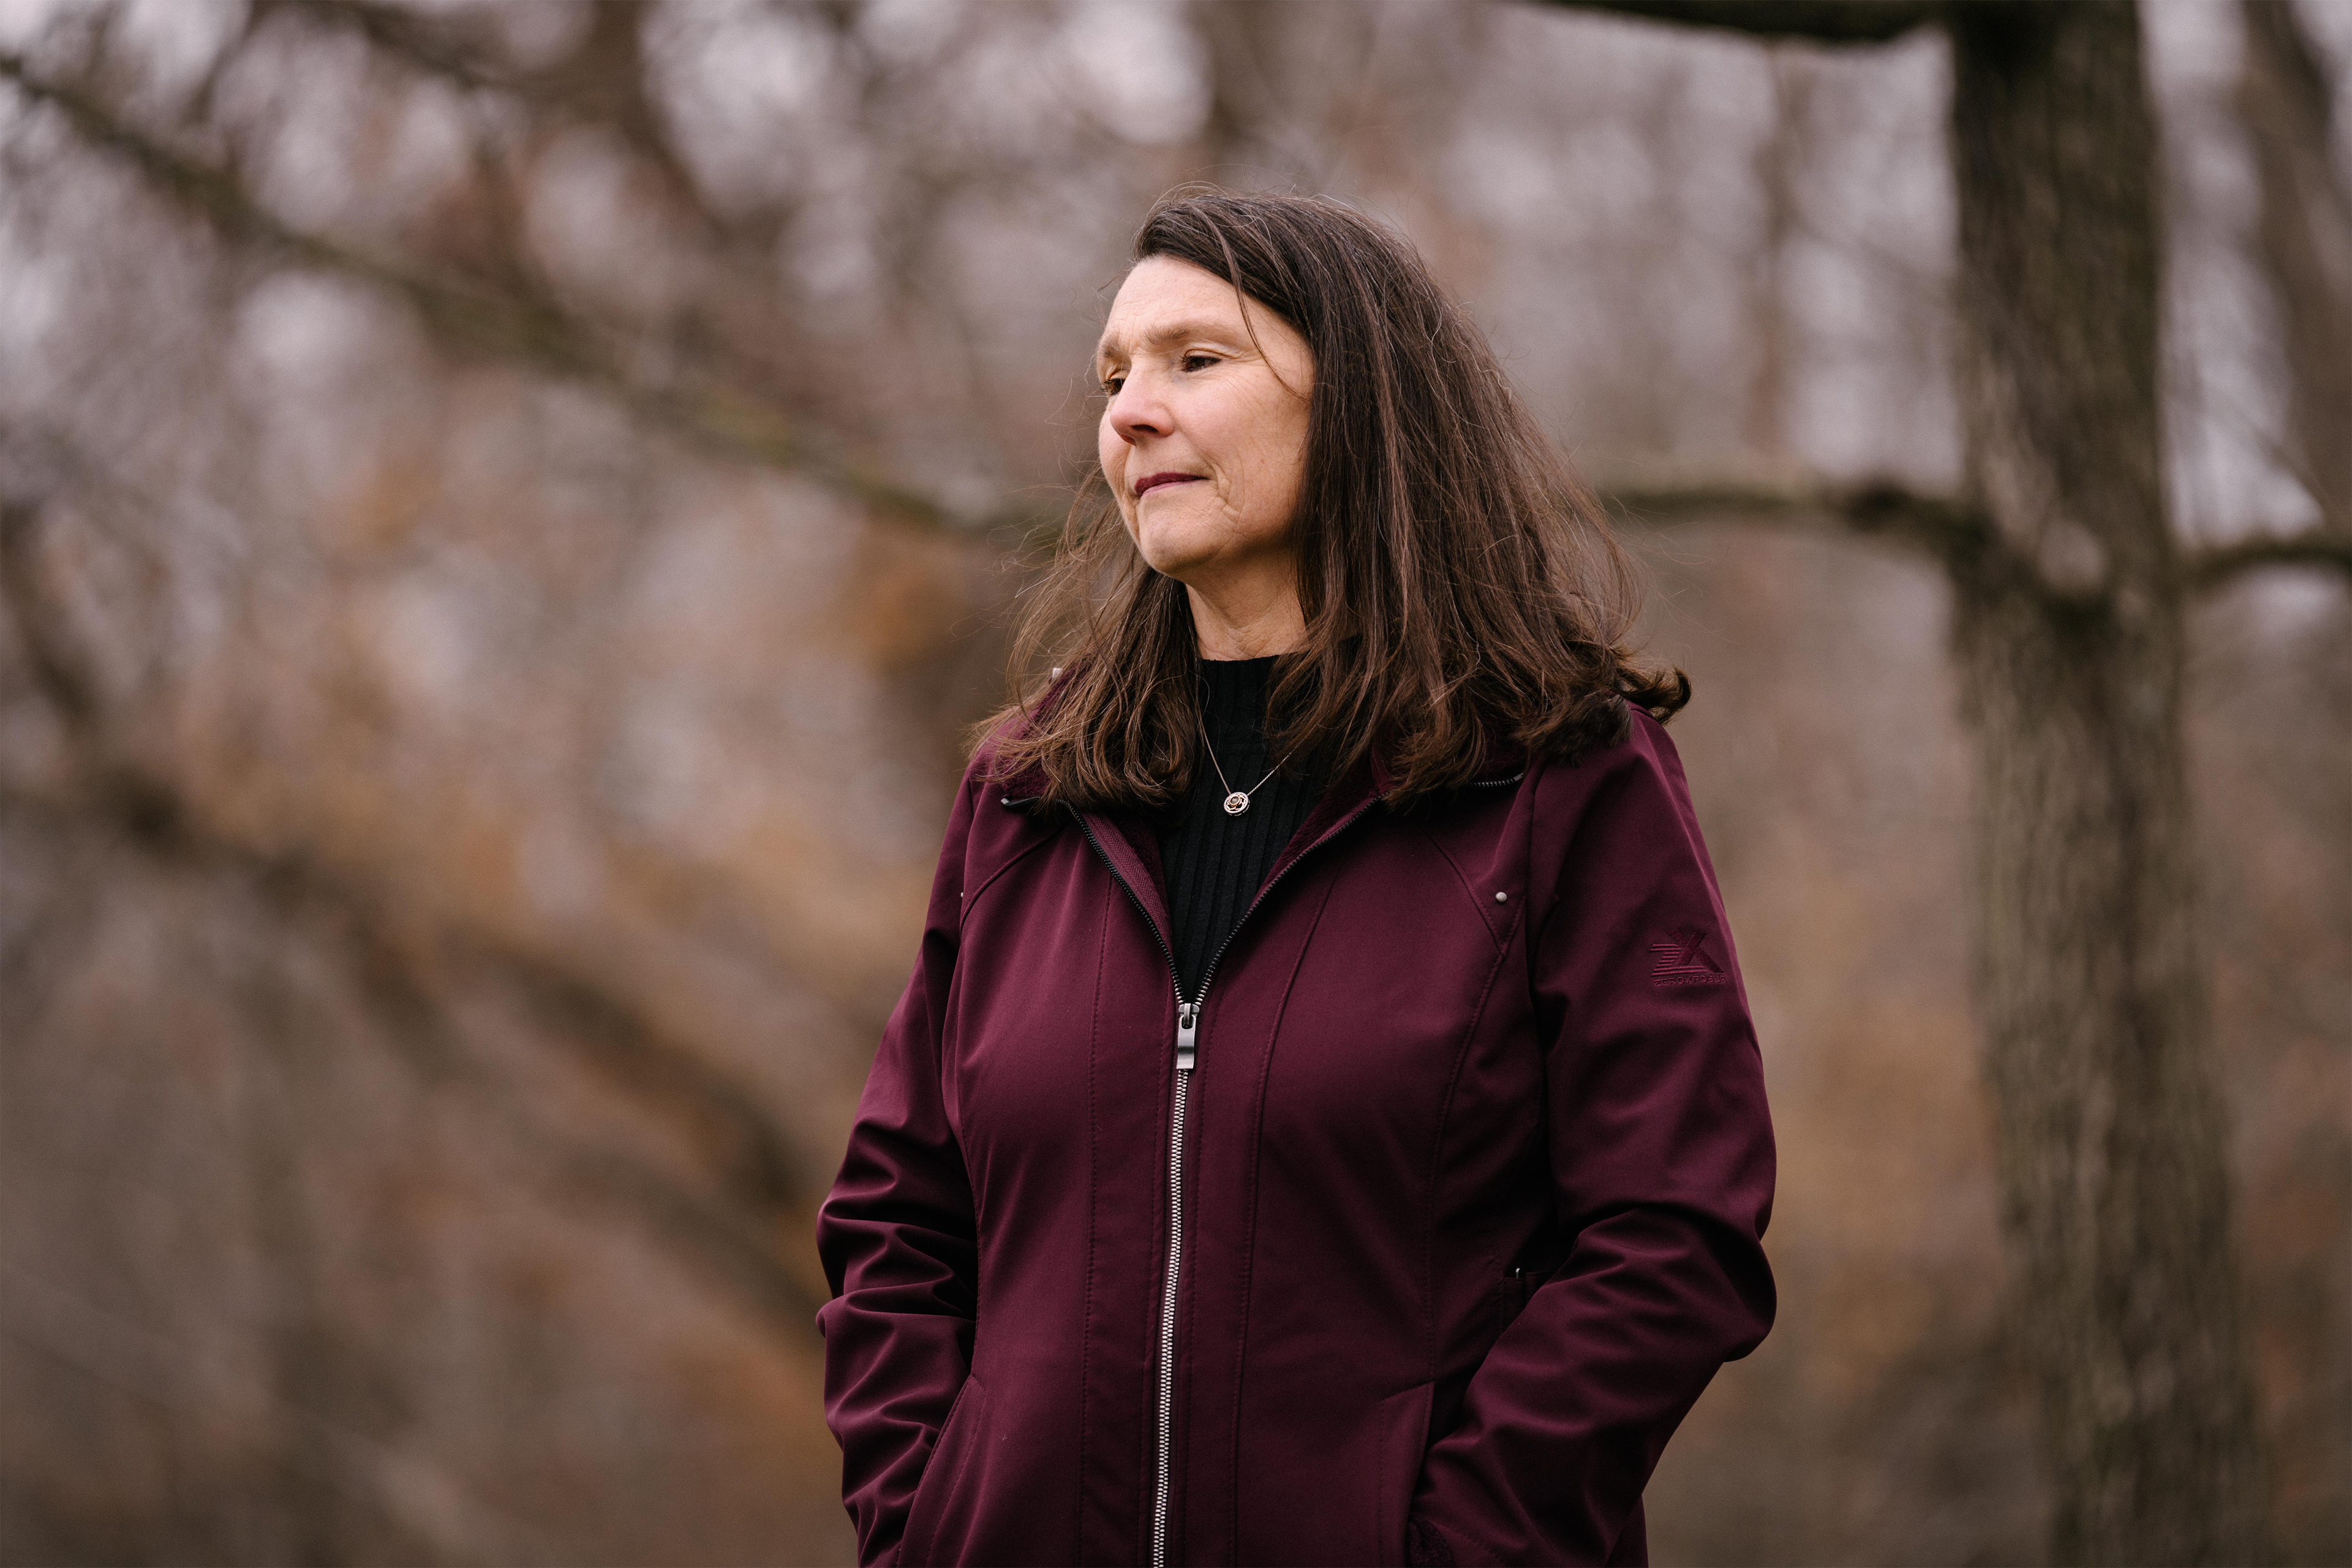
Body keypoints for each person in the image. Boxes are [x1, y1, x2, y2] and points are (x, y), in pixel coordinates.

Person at [816, 190, 1775, 1568]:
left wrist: (1464, 1547)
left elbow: (1672, 1230)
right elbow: (896, 1222)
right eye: (1113, 377)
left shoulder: (1561, 777)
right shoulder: (1030, 790)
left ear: (1363, 403)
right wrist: (927, 1526)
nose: (1131, 414)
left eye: (1196, 361)